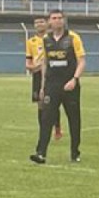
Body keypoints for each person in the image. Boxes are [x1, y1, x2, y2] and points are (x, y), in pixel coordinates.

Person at [30, 12, 85, 164]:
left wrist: (75, 79)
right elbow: (45, 63)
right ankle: (40, 153)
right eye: (54, 18)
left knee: (74, 119)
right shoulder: (46, 40)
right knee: (46, 118)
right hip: (52, 86)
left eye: (60, 18)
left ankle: (75, 153)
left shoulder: (73, 37)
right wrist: (42, 87)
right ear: (49, 22)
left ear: (64, 21)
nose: (57, 21)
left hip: (70, 85)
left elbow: (81, 61)